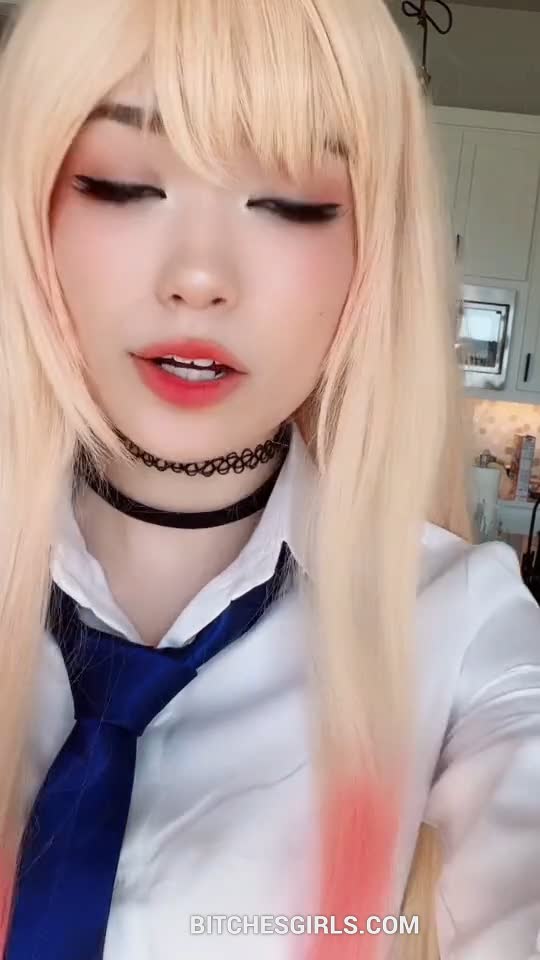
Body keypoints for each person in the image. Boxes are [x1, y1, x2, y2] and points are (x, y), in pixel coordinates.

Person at [0, 0, 538, 958]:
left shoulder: (462, 630)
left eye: (292, 204)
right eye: (122, 185)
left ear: (370, 252)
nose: (200, 276)